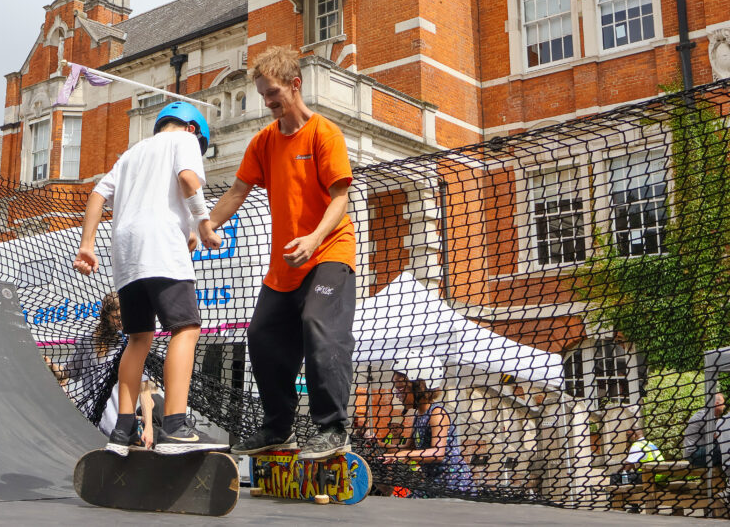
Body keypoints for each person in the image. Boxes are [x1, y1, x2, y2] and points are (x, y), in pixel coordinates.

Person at [204, 45, 357, 460]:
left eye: (273, 92)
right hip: (285, 265)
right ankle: (278, 429)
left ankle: (333, 429)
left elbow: (339, 198)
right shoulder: (264, 141)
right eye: (263, 94)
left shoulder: (324, 134)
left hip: (329, 251)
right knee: (262, 334)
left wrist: (313, 238)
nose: (268, 102)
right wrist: (206, 224)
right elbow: (238, 190)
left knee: (318, 326)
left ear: (295, 85)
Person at [73, 101, 227, 456]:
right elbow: (188, 179)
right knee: (185, 328)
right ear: (193, 130)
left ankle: (122, 431)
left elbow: (97, 194)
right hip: (160, 247)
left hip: (125, 254)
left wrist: (86, 245)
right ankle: (175, 425)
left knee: (138, 337)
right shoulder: (184, 141)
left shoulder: (130, 155)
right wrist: (203, 223)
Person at [45, 292, 157, 445]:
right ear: (106, 316)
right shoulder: (87, 341)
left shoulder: (129, 345)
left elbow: (144, 389)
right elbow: (67, 373)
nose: (121, 322)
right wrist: (51, 366)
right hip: (91, 423)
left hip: (120, 426)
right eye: (117, 318)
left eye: (124, 317)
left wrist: (148, 427)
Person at [378, 350, 474, 497]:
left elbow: (437, 453)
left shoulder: (437, 414)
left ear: (418, 386)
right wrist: (380, 444)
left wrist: (404, 454)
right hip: (433, 483)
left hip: (453, 485)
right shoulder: (419, 415)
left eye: (401, 389)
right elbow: (408, 447)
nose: (397, 395)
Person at [683, 392, 725, 468]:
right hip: (695, 454)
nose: (724, 406)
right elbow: (717, 436)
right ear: (717, 404)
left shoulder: (708, 415)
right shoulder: (706, 416)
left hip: (699, 452)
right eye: (723, 404)